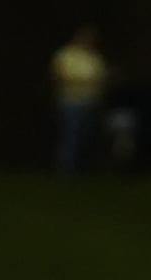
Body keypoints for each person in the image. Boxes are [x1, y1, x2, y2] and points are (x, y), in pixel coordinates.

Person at [51, 25, 107, 175]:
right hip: (71, 102)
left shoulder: (94, 57)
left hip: (91, 102)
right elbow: (61, 77)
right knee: (71, 136)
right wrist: (86, 82)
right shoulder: (66, 55)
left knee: (86, 136)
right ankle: (66, 171)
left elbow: (101, 77)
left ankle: (84, 170)